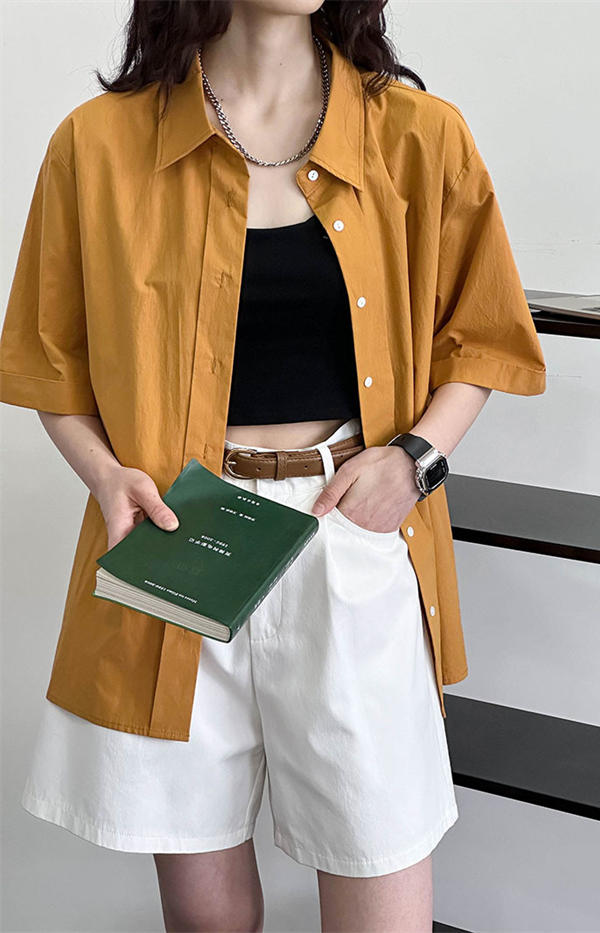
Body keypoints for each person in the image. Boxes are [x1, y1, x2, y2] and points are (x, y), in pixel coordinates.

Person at [0, 1, 547, 930]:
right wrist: (104, 474)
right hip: (181, 530)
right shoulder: (98, 144)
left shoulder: (419, 135)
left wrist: (414, 459)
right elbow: (50, 359)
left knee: (379, 877)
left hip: (350, 525)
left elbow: (484, 335)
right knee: (205, 916)